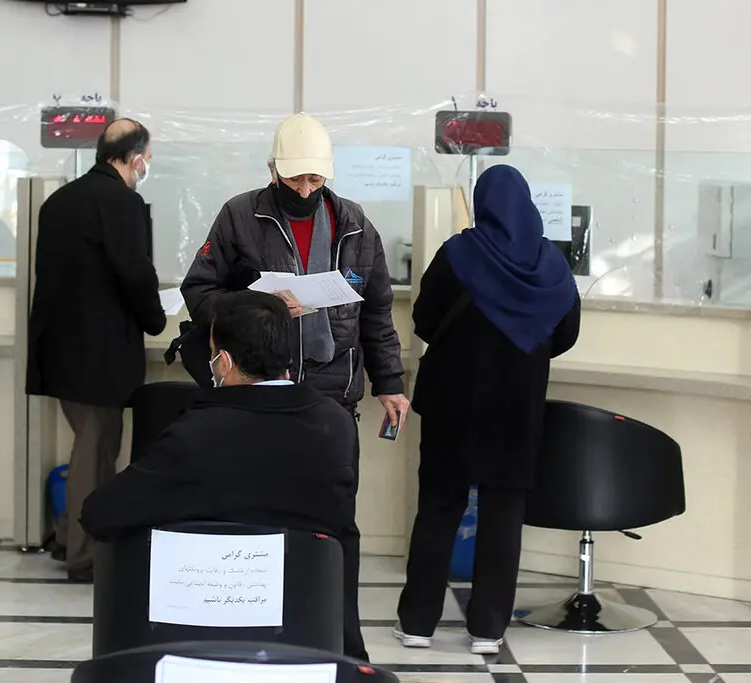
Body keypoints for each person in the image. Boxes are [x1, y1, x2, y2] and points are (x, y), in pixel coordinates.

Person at [180, 111, 407, 661]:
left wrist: (390, 382)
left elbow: (376, 311)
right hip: (258, 394)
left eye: (315, 179)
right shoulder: (240, 216)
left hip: (330, 396)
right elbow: (198, 290)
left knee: (334, 522)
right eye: (295, 179)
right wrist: (257, 304)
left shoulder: (355, 225)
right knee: (259, 518)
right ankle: (257, 641)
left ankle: (343, 644)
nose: (305, 190)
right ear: (273, 170)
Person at [394, 165, 581, 656]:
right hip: (517, 409)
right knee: (503, 515)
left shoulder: (458, 254)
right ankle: (487, 630)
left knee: (438, 509)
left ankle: (417, 623)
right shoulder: (552, 264)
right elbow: (566, 334)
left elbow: (424, 319)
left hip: (452, 407)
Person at [80, 289, 357, 560]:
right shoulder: (337, 422)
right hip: (314, 587)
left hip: (219, 585)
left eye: (212, 352)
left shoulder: (197, 433)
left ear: (224, 362)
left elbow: (100, 514)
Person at [26, 118, 166, 583]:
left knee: (88, 445)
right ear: (136, 158)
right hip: (101, 353)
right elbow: (134, 273)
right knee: (96, 449)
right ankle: (84, 556)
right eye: (148, 158)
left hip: (60, 349)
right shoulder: (122, 201)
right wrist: (155, 317)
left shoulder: (59, 201)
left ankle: (69, 535)